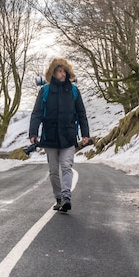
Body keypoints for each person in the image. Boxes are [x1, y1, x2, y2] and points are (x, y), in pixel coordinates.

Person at [28, 58, 90, 212]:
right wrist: (33, 133)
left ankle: (66, 197)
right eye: (59, 71)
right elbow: (36, 113)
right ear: (53, 74)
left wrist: (85, 134)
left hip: (68, 136)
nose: (62, 74)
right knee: (54, 171)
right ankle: (58, 198)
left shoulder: (74, 91)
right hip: (50, 137)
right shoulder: (45, 91)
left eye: (64, 71)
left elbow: (81, 113)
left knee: (66, 167)